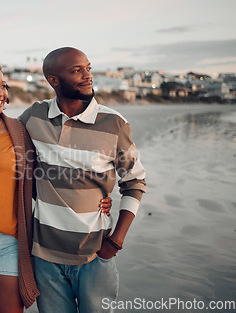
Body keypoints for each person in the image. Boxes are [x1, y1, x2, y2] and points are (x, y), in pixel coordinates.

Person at [0, 50, 111, 313]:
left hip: (12, 240)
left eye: (4, 86)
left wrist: (94, 196)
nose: (1, 92)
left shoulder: (19, 130)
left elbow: (51, 172)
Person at [18, 47, 147, 313]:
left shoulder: (114, 123)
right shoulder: (34, 117)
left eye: (88, 68)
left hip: (94, 254)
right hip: (44, 255)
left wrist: (116, 241)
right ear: (54, 80)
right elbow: (0, 141)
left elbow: (135, 182)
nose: (88, 75)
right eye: (77, 70)